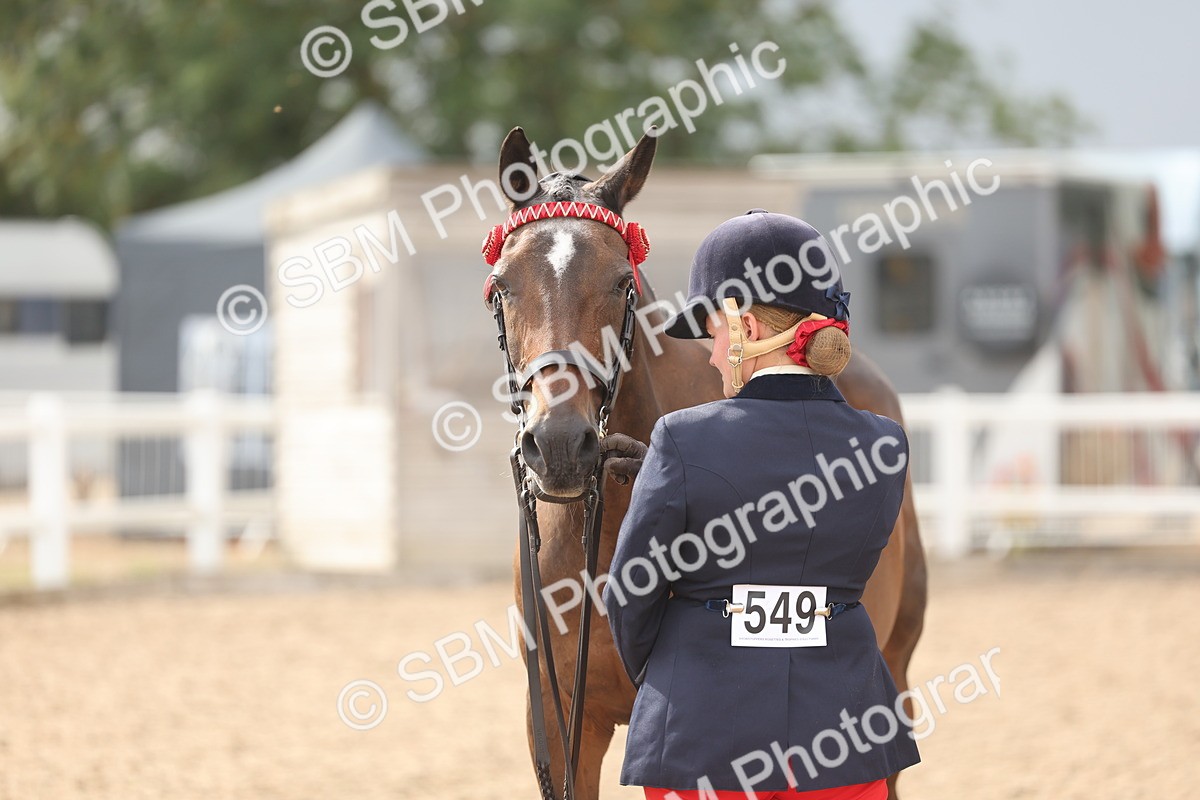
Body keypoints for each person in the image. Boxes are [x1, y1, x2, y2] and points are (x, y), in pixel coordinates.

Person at [600, 210, 920, 799]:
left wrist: (673, 673)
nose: (713, 355)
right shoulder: (883, 445)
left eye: (715, 335)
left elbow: (630, 592)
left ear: (745, 327)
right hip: (844, 740)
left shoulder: (680, 439)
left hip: (702, 739)